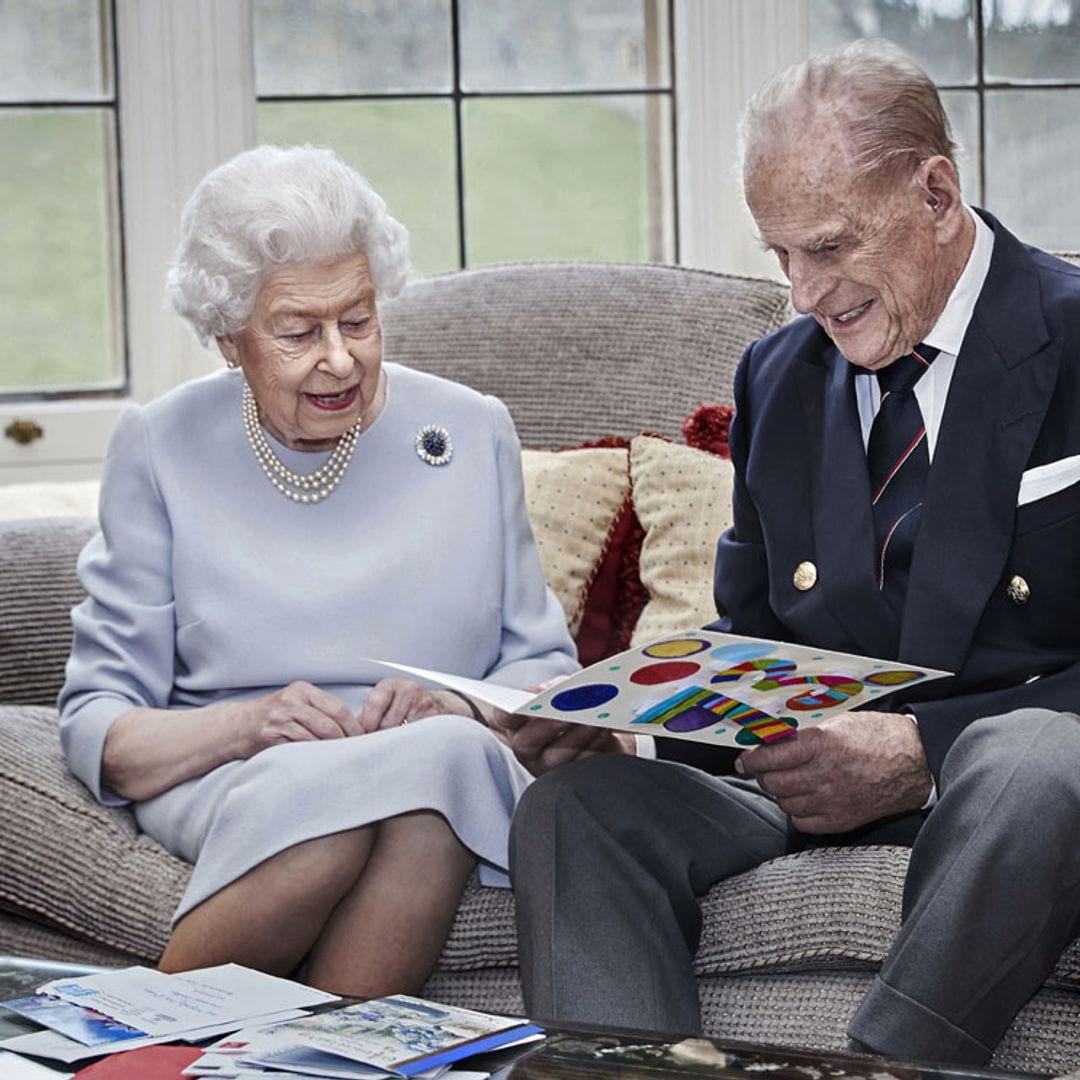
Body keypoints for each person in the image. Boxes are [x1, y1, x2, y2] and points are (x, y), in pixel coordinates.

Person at [506, 39, 1080, 1066]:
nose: (806, 291)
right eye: (781, 256)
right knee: (577, 808)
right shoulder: (777, 376)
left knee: (1039, 760)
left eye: (827, 246)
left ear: (937, 194)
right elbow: (754, 645)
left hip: (1000, 805)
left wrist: (923, 756)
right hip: (802, 793)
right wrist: (631, 728)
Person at [58, 143, 579, 998]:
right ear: (230, 340)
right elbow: (102, 723)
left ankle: (131, 1047)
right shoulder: (161, 444)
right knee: (360, 810)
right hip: (233, 769)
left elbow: (544, 671)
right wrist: (248, 725)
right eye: (298, 332)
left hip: (436, 759)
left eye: (360, 320)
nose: (339, 358)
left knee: (432, 773)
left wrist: (456, 703)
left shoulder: (471, 428)